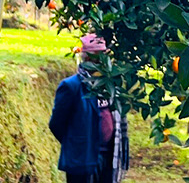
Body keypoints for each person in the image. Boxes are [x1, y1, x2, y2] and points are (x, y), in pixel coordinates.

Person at [49, 33, 129, 183]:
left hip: (109, 156)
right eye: (94, 57)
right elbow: (56, 124)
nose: (98, 62)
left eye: (101, 57)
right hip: (82, 158)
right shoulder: (71, 86)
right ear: (86, 59)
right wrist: (77, 142)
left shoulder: (110, 85)